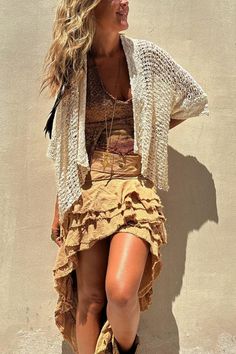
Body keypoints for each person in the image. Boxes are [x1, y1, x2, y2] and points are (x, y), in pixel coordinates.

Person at [40, 1, 209, 353]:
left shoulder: (146, 58)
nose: (124, 3)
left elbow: (194, 98)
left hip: (134, 188)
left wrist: (151, 131)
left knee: (119, 292)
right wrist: (61, 202)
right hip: (89, 190)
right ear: (89, 7)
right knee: (88, 297)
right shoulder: (74, 68)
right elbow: (66, 145)